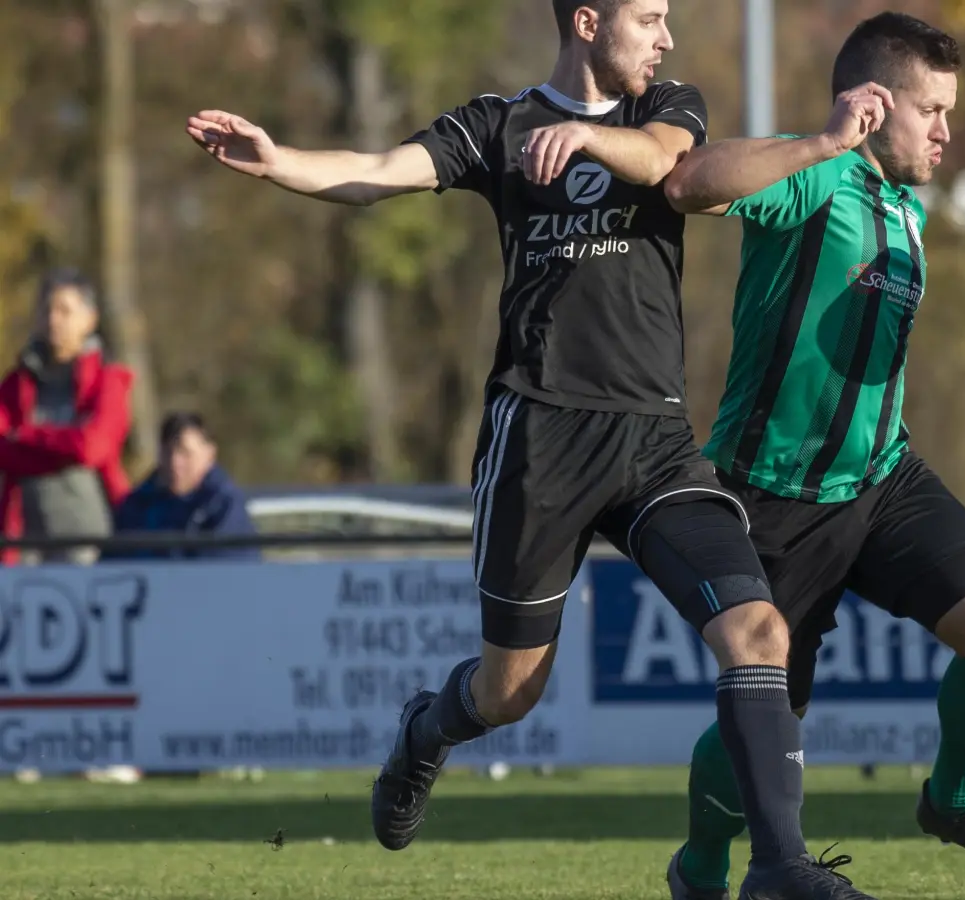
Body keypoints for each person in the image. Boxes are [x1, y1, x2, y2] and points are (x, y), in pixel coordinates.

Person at [186, 2, 871, 898]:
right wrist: (279, 163)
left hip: (655, 438)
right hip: (540, 439)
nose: (665, 37)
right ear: (588, 20)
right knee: (512, 693)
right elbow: (375, 170)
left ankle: (779, 870)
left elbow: (670, 166)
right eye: (649, 17)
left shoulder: (667, 106)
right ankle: (427, 731)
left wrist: (588, 144)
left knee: (757, 631)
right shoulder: (496, 126)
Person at [662, 12, 965, 899]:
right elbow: (691, 182)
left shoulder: (910, 207)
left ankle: (953, 803)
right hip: (772, 498)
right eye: (932, 109)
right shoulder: (816, 178)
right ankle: (702, 867)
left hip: (882, 479)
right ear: (875, 105)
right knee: (761, 723)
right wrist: (821, 138)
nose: (948, 130)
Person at [0, 269, 132, 566]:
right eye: (47, 309)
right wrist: (64, 447)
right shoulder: (16, 382)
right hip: (23, 542)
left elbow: (93, 447)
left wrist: (26, 437)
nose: (53, 319)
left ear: (89, 319)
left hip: (91, 541)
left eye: (64, 310)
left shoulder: (107, 380)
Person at [104, 411, 259, 561]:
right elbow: (110, 564)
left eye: (185, 453)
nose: (175, 463)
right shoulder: (136, 505)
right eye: (167, 452)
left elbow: (226, 573)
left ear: (210, 454)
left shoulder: (224, 506)